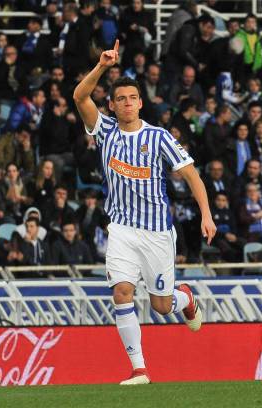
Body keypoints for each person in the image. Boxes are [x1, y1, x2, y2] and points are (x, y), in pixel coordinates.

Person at [73, 41, 216, 385]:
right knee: (121, 292)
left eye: (132, 98)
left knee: (161, 307)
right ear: (113, 104)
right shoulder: (105, 130)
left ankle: (186, 299)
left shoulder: (160, 137)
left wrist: (206, 215)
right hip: (121, 228)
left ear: (140, 102)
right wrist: (103, 66)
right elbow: (79, 97)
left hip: (156, 232)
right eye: (120, 98)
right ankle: (139, 369)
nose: (126, 103)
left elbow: (192, 175)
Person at [211, 192, 245, 263]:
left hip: (229, 237)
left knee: (243, 243)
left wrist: (233, 235)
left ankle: (243, 268)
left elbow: (233, 226)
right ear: (215, 201)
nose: (220, 202)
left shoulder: (230, 213)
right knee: (227, 248)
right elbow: (211, 229)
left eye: (223, 200)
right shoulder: (210, 212)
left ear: (226, 202)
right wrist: (225, 235)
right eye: (218, 200)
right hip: (216, 238)